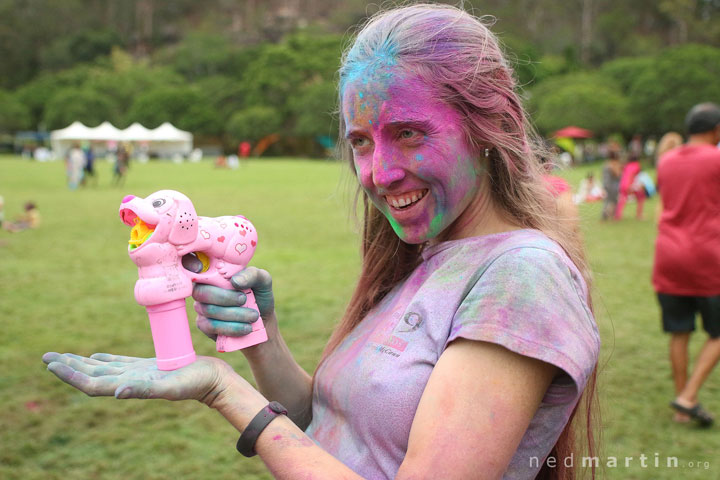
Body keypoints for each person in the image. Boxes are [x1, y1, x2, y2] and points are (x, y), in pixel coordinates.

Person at [42, 5, 600, 479]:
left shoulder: (521, 275)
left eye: (407, 133)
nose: (379, 173)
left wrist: (224, 390)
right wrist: (262, 336)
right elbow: (334, 424)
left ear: (486, 124)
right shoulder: (424, 254)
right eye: (361, 142)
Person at [653, 103, 720, 427]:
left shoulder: (666, 161)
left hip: (668, 256)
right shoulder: (717, 160)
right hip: (708, 257)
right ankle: (688, 395)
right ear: (716, 130)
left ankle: (683, 408)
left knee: (679, 332)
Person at [614, 153, 645, 220]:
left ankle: (617, 215)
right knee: (641, 196)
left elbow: (623, 172)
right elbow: (632, 175)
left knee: (622, 199)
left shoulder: (627, 165)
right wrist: (630, 185)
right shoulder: (637, 165)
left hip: (622, 184)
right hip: (629, 184)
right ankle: (639, 215)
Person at [601, 150, 622, 220]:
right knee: (613, 201)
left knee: (608, 201)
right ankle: (611, 215)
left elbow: (604, 177)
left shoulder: (606, 165)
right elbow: (618, 175)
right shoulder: (614, 165)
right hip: (614, 186)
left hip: (607, 185)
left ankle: (606, 216)